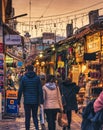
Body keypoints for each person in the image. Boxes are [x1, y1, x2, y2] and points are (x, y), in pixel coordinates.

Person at [17, 65, 44, 130]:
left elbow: (20, 90)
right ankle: (37, 128)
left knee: (27, 117)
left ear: (27, 70)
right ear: (33, 69)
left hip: (27, 101)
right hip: (35, 101)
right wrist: (41, 101)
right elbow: (40, 90)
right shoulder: (37, 78)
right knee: (35, 116)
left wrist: (18, 101)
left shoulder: (24, 78)